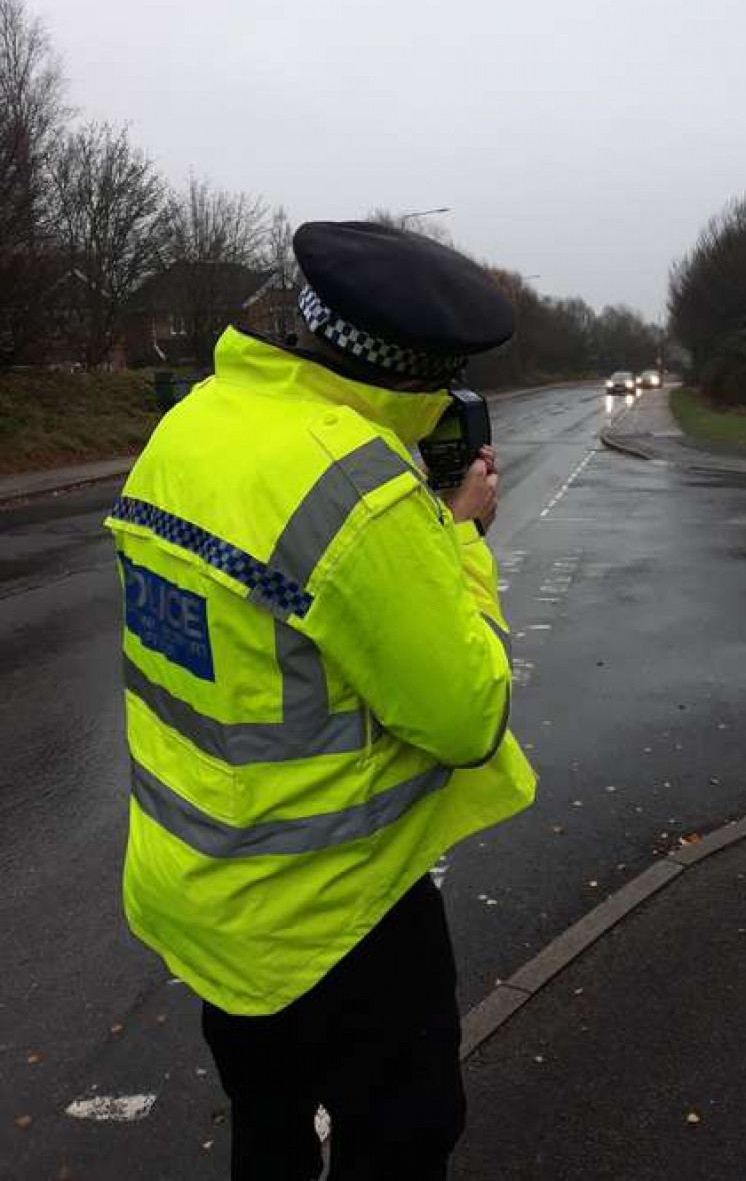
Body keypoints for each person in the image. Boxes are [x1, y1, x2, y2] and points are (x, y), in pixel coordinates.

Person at [106, 221, 537, 1180]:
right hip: (337, 916)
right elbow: (466, 717)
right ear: (430, 374)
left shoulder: (197, 422)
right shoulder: (362, 487)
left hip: (207, 891)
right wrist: (460, 536)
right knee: (405, 1136)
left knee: (269, 1129)